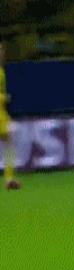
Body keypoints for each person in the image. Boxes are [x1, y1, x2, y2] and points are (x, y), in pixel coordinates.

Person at [0, 43, 20, 191]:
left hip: (2, 114)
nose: (2, 53)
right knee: (8, 143)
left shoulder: (2, 71)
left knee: (9, 143)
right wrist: (4, 97)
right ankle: (9, 178)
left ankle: (9, 178)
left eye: (2, 50)